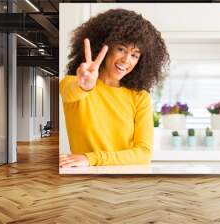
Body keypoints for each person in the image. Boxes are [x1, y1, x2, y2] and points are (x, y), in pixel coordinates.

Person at [59, 9, 169, 168]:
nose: (126, 60)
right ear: (104, 46)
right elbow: (69, 92)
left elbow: (144, 154)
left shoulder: (140, 97)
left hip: (127, 183)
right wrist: (84, 86)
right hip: (87, 182)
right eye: (121, 49)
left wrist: (91, 159)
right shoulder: (74, 85)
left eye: (135, 55)